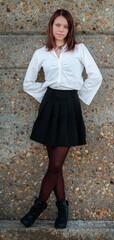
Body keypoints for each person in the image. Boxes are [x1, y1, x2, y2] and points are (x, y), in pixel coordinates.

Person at [20, 9, 102, 229]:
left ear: (70, 29)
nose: (61, 29)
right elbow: (28, 83)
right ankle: (62, 209)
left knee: (56, 163)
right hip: (49, 106)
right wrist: (46, 95)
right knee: (55, 166)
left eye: (65, 26)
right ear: (51, 26)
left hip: (69, 106)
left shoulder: (79, 50)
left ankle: (37, 207)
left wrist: (80, 97)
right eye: (58, 25)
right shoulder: (41, 53)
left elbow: (95, 76)